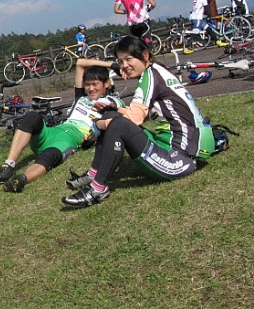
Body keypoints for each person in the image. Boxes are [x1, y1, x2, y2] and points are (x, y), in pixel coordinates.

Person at [62, 35, 215, 207]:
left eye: (129, 59)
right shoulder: (157, 71)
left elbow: (134, 119)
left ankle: (98, 188)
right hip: (183, 147)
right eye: (120, 61)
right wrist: (113, 110)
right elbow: (143, 112)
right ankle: (94, 172)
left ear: (146, 55)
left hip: (181, 159)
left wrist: (100, 124)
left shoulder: (150, 78)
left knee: (117, 124)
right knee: (111, 116)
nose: (124, 66)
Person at [0, 58, 124, 193]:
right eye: (87, 84)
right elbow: (80, 63)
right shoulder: (81, 97)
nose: (90, 88)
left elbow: (116, 121)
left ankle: (20, 180)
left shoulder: (113, 102)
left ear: (107, 83)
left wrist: (95, 135)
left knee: (50, 156)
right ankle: (8, 165)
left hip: (69, 140)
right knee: (32, 116)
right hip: (54, 131)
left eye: (95, 84)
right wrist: (112, 65)